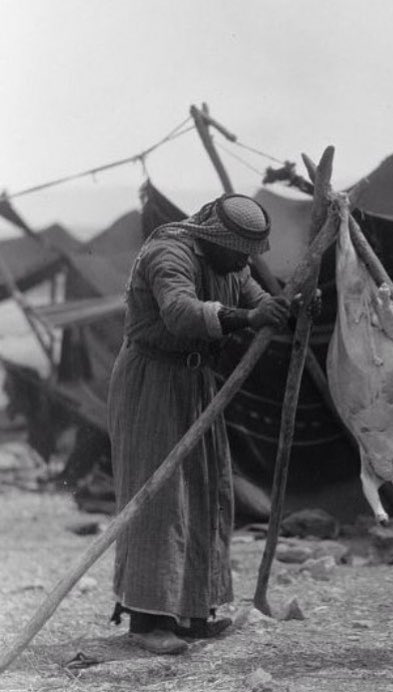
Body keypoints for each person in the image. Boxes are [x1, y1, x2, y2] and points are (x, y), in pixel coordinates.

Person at [108, 193, 293, 655]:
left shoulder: (233, 263)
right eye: (240, 251)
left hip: (197, 382)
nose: (245, 261)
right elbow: (180, 313)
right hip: (152, 378)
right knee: (160, 497)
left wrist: (290, 305)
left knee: (205, 490)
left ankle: (192, 614)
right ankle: (148, 620)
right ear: (216, 238)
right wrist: (248, 317)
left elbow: (260, 302)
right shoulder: (167, 253)